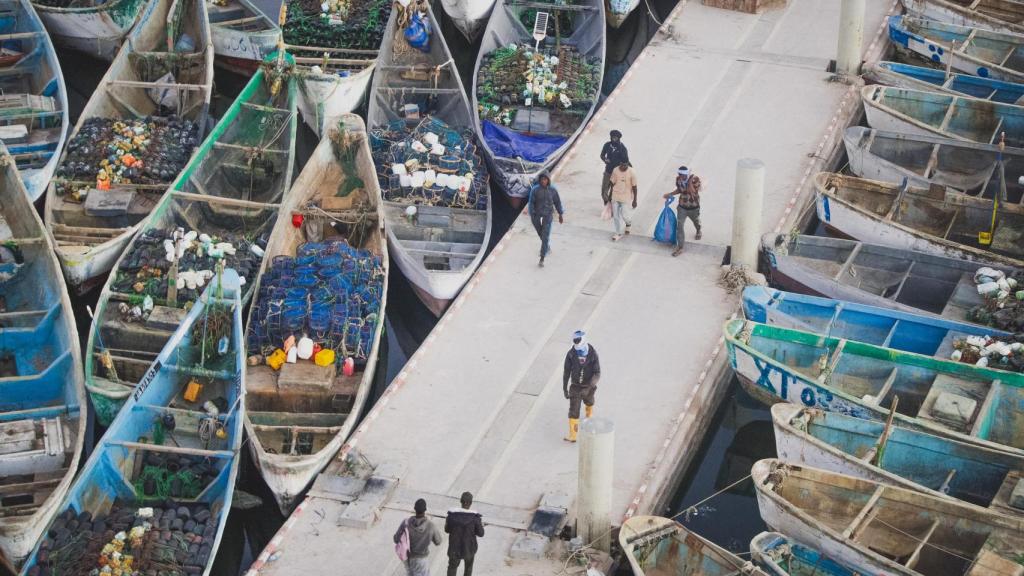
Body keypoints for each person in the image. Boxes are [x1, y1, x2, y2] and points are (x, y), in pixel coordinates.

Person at [562, 330, 600, 442]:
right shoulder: (571, 354)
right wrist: (564, 387)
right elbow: (566, 371)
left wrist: (589, 387)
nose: (579, 352)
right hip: (575, 386)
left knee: (589, 401)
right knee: (573, 410)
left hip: (589, 385)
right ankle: (573, 435)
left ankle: (589, 413)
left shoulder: (593, 354)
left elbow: (597, 373)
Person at [394, 498, 443, 576]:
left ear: (415, 509)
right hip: (423, 559)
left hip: (409, 557)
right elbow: (438, 541)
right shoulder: (430, 525)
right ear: (425, 510)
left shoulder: (406, 523)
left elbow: (396, 539)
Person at [663, 165, 702, 256]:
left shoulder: (695, 179)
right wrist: (670, 194)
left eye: (682, 175)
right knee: (679, 226)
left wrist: (689, 183)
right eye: (679, 174)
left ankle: (698, 230)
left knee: (696, 221)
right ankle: (680, 247)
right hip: (682, 207)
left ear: (686, 174)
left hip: (693, 207)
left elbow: (693, 191)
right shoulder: (678, 179)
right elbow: (679, 190)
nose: (680, 176)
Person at [527, 172, 564, 267]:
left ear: (548, 180)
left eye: (545, 179)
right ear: (539, 180)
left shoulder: (553, 190)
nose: (543, 181)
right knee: (541, 233)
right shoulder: (535, 190)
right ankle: (546, 246)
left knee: (545, 234)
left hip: (548, 215)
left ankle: (542, 257)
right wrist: (532, 213)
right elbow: (531, 202)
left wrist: (560, 214)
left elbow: (557, 202)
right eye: (542, 179)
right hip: (537, 215)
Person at [445, 492, 484, 576]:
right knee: (468, 568)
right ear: (471, 503)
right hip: (469, 548)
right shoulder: (475, 518)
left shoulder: (451, 516)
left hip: (454, 548)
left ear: (461, 501)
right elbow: (481, 533)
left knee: (452, 567)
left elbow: (447, 530)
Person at [608, 161, 637, 241]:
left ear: (627, 164)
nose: (623, 166)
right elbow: (611, 183)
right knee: (616, 216)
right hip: (615, 196)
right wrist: (609, 196)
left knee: (624, 215)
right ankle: (618, 233)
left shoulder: (632, 172)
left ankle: (628, 223)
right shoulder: (615, 170)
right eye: (621, 164)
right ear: (619, 163)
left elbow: (634, 187)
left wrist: (635, 200)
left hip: (625, 197)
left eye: (625, 165)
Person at [599, 130, 629, 204]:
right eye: (612, 137)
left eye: (615, 138)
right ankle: (606, 201)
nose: (613, 139)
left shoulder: (622, 148)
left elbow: (626, 161)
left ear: (619, 138)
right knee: (604, 190)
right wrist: (605, 159)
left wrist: (622, 166)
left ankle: (611, 204)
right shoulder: (607, 145)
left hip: (617, 173)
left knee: (613, 191)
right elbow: (602, 155)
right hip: (608, 171)